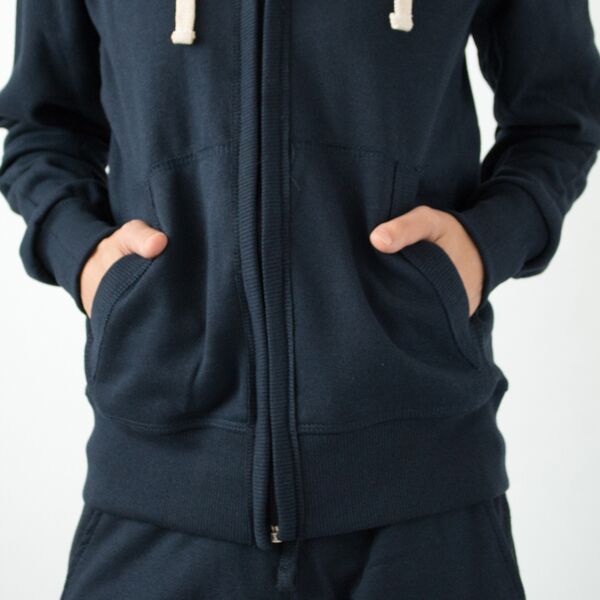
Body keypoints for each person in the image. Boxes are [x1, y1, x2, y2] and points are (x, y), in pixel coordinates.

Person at [1, 1, 599, 598]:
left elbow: (561, 115)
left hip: (424, 507)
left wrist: (486, 245)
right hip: (154, 498)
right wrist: (85, 257)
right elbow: (43, 128)